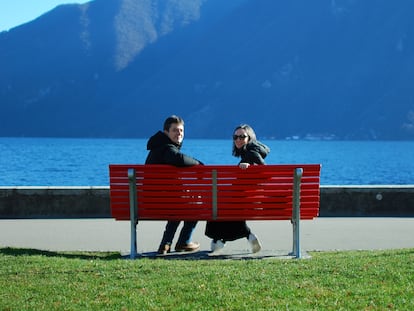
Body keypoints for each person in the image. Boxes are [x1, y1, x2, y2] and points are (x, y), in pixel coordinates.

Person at [205, 124, 270, 254]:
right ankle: (236, 237)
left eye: (242, 136)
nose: (238, 139)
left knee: (217, 205)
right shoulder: (249, 152)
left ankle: (220, 240)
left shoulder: (251, 153)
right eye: (236, 137)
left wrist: (250, 168)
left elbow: (265, 172)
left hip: (247, 200)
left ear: (250, 138)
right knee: (223, 204)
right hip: (244, 198)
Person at [145, 115, 203, 255]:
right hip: (159, 201)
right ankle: (183, 241)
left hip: (152, 199)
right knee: (194, 206)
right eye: (175, 130)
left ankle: (166, 244)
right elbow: (178, 158)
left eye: (181, 131)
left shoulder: (159, 146)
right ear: (166, 132)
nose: (179, 134)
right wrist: (199, 164)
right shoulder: (165, 147)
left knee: (178, 203)